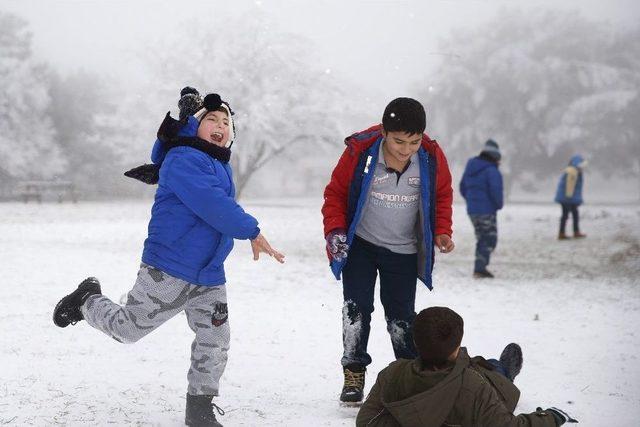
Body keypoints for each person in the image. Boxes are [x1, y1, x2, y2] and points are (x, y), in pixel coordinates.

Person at [53, 89, 285, 427]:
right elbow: (212, 204)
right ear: (194, 126)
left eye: (226, 122)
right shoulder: (182, 159)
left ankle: (200, 409)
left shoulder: (219, 164)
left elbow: (218, 205)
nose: (220, 125)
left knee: (215, 340)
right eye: (211, 119)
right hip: (170, 267)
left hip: (209, 274)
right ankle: (88, 299)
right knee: (129, 329)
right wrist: (251, 230)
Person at [321, 97, 454, 405]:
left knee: (402, 317)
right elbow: (336, 194)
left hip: (403, 252)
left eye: (414, 141)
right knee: (356, 309)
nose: (406, 149)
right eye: (398, 141)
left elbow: (442, 195)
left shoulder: (430, 158)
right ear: (384, 132)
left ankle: (409, 373)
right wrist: (336, 232)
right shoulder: (360, 152)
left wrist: (443, 230)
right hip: (361, 247)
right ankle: (354, 371)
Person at [357, 306, 578, 426]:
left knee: (478, 368)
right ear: (457, 345)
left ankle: (497, 367)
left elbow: (366, 422)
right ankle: (503, 369)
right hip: (482, 388)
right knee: (492, 375)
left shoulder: (393, 373)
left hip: (463, 376)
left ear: (415, 342)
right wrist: (552, 416)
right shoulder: (472, 386)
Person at [459, 139, 504, 279]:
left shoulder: (471, 167)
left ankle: (480, 267)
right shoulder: (492, 170)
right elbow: (496, 191)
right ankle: (480, 268)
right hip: (487, 210)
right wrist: (498, 205)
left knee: (481, 238)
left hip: (472, 210)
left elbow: (462, 187)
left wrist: (471, 201)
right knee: (490, 238)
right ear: (495, 155)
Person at [554, 155, 587, 240]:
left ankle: (573, 232)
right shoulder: (572, 171)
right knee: (566, 215)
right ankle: (562, 233)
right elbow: (570, 185)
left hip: (569, 197)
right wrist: (569, 197)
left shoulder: (574, 170)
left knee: (574, 214)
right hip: (567, 197)